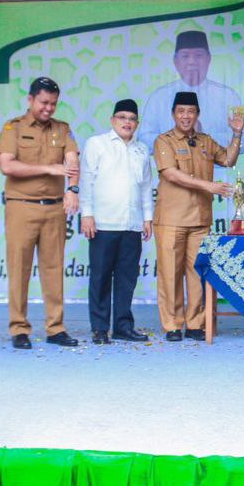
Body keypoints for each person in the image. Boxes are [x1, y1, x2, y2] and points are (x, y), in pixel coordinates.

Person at [152, 91, 243, 341]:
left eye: (190, 111)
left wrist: (236, 133)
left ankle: (195, 324)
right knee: (170, 274)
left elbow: (228, 159)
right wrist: (209, 186)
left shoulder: (205, 141)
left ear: (197, 115)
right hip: (171, 219)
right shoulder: (164, 141)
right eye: (181, 111)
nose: (186, 116)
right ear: (173, 114)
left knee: (198, 275)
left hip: (200, 220)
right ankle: (172, 325)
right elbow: (171, 174)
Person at [0, 77, 81, 350]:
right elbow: (7, 166)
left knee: (54, 269)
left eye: (53, 104)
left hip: (54, 208)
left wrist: (73, 189)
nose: (48, 109)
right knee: (19, 268)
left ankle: (55, 327)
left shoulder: (62, 128)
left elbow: (71, 158)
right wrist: (49, 169)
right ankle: (19, 328)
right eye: (44, 102)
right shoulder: (14, 128)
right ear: (30, 99)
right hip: (22, 206)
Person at [80, 99, 154, 345]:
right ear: (113, 120)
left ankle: (123, 326)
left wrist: (147, 218)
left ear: (137, 123)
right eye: (122, 117)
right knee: (100, 277)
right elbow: (87, 181)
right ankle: (100, 328)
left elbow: (145, 187)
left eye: (131, 119)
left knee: (127, 279)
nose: (127, 122)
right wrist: (87, 214)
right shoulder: (96, 144)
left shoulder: (142, 150)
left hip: (132, 225)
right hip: (103, 224)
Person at [138, 30, 242, 150]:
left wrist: (202, 135)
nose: (192, 62)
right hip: (172, 166)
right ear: (175, 61)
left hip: (215, 167)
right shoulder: (159, 97)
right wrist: (177, 137)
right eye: (185, 56)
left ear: (209, 59)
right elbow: (144, 140)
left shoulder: (228, 96)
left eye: (198, 55)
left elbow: (242, 142)